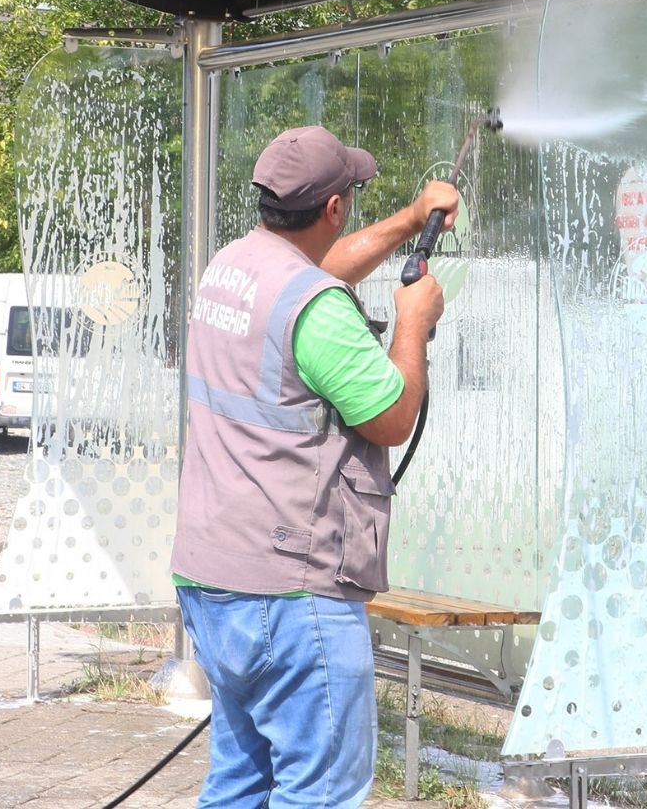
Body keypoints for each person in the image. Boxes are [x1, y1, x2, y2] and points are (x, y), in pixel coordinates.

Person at [170, 125, 458, 808]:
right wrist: (412, 320)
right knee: (320, 791)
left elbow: (322, 274)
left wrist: (413, 220)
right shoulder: (318, 311)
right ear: (332, 208)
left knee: (241, 781)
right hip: (291, 596)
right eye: (351, 194)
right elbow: (390, 417)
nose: (352, 205)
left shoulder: (234, 267)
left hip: (214, 581)